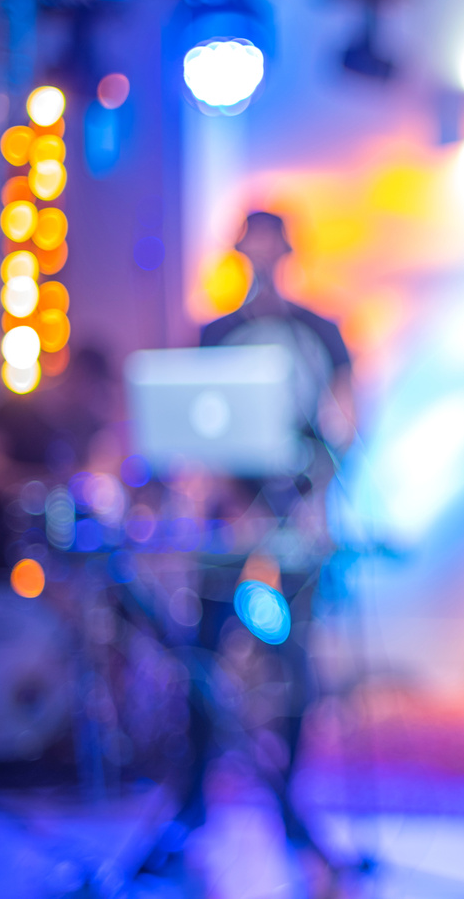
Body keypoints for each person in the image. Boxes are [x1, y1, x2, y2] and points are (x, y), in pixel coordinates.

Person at [145, 211, 352, 882]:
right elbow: (192, 426)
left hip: (295, 531)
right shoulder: (215, 334)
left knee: (295, 671)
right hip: (227, 534)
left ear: (287, 253)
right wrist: (220, 500)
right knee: (203, 665)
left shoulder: (320, 332)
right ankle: (192, 806)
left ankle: (291, 810)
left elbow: (347, 424)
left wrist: (315, 492)